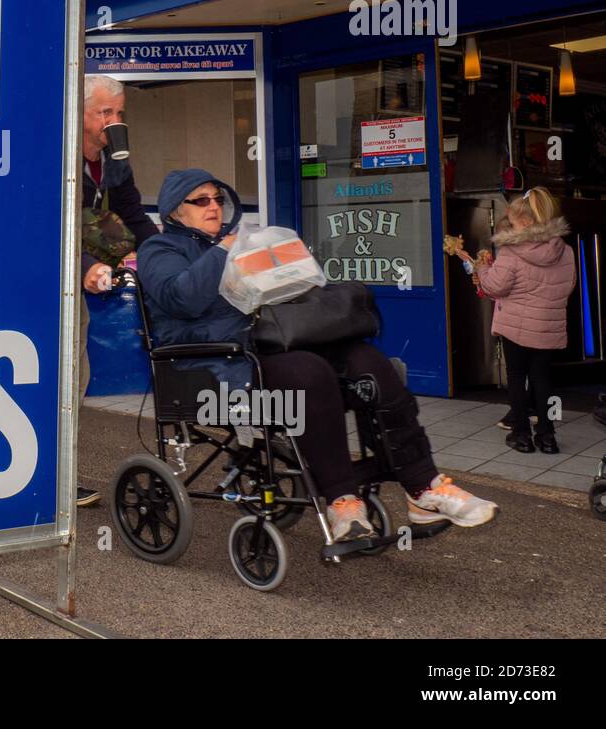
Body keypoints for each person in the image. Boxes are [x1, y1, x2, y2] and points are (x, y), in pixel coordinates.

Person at [137, 168, 498, 541]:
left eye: (218, 198)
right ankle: (343, 500)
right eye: (201, 201)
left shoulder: (236, 242)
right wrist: (224, 253)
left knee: (369, 363)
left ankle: (424, 489)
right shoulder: (159, 250)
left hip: (274, 341)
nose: (213, 206)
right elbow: (182, 299)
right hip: (214, 363)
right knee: (309, 374)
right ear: (173, 212)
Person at [76, 74, 157, 507]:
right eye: (104, 112)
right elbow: (46, 222)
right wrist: (86, 266)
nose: (113, 121)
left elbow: (133, 215)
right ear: (79, 112)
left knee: (76, 375)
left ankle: (58, 475)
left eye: (119, 113)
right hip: (40, 277)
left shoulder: (115, 161)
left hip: (77, 280)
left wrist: (166, 254)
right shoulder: (55, 152)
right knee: (55, 376)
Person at [460, 187, 576, 454]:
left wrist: (482, 267)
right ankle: (547, 437)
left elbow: (494, 287)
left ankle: (521, 435)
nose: (509, 224)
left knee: (515, 376)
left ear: (524, 222)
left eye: (511, 220)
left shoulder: (512, 252)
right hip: (548, 325)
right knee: (542, 378)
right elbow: (568, 285)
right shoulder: (565, 251)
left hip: (515, 327)